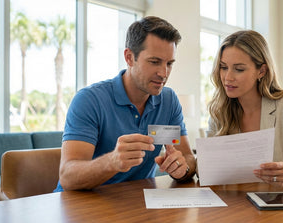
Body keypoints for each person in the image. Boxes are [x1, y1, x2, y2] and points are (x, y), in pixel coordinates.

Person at [54, 16, 196, 192]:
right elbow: (68, 177)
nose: (163, 73)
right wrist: (112, 161)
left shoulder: (168, 101)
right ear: (129, 57)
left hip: (135, 203)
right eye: (154, 62)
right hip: (79, 206)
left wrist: (182, 169)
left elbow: (188, 157)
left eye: (169, 63)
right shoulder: (89, 100)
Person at [207, 30, 283, 189]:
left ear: (262, 71)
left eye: (239, 69)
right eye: (223, 67)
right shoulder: (219, 111)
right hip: (231, 205)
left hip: (275, 205)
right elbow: (206, 168)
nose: (228, 77)